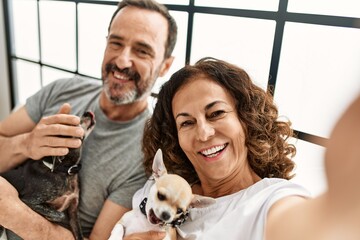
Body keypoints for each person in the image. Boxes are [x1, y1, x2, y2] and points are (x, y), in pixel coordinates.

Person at [0, 0, 177, 239]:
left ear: (165, 65)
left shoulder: (146, 156)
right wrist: (25, 144)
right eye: (116, 43)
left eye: (142, 51)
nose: (122, 61)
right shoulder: (64, 90)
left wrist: (13, 213)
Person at [133, 57, 359, 240]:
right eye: (187, 122)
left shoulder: (270, 201)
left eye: (216, 113)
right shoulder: (159, 187)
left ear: (246, 119)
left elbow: (301, 226)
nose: (203, 133)